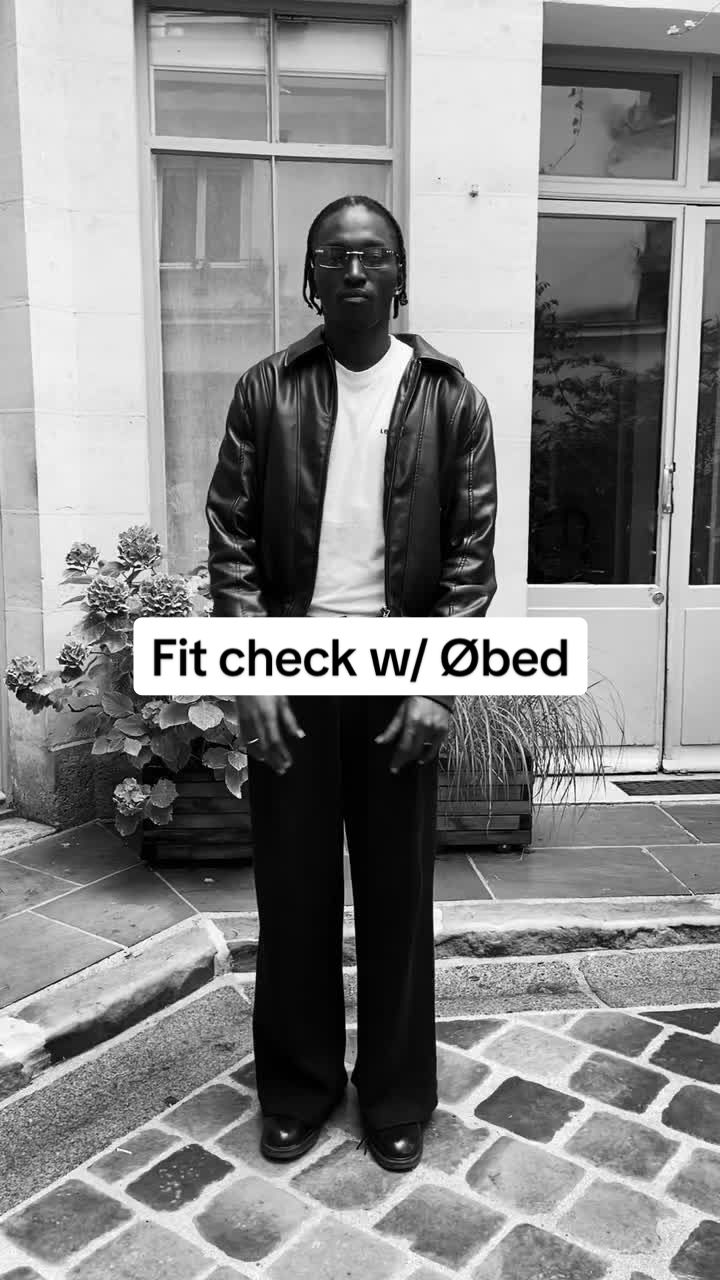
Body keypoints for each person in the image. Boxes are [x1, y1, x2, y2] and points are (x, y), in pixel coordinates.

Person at [206, 194, 497, 1172]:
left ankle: (397, 1092)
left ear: (400, 274)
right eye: (335, 256)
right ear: (310, 277)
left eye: (373, 255)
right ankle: (298, 1086)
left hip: (399, 672)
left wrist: (437, 684)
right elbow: (231, 540)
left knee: (396, 895)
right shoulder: (267, 389)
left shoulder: (452, 399)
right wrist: (250, 667)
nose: (356, 270)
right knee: (292, 892)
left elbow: (470, 558)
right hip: (292, 670)